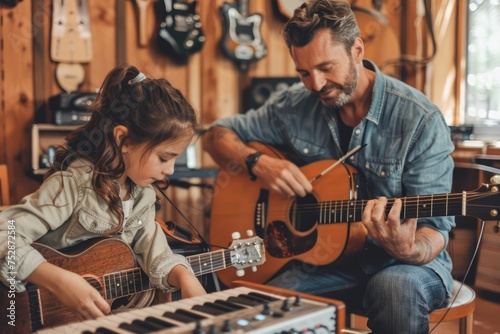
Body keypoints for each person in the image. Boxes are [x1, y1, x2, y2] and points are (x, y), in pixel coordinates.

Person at [201, 0, 455, 333]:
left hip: (404, 265)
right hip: (323, 259)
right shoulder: (294, 105)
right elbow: (215, 136)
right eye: (304, 72)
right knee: (253, 306)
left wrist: (407, 247)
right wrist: (258, 163)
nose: (316, 84)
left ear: (357, 50)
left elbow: (435, 230)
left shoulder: (420, 120)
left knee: (393, 288)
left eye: (326, 67)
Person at [0, 65, 206, 321]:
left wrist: (185, 277)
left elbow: (157, 254)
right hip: (31, 316)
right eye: (164, 157)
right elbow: (5, 234)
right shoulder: (73, 183)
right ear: (124, 141)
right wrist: (58, 281)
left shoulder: (143, 195)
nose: (171, 170)